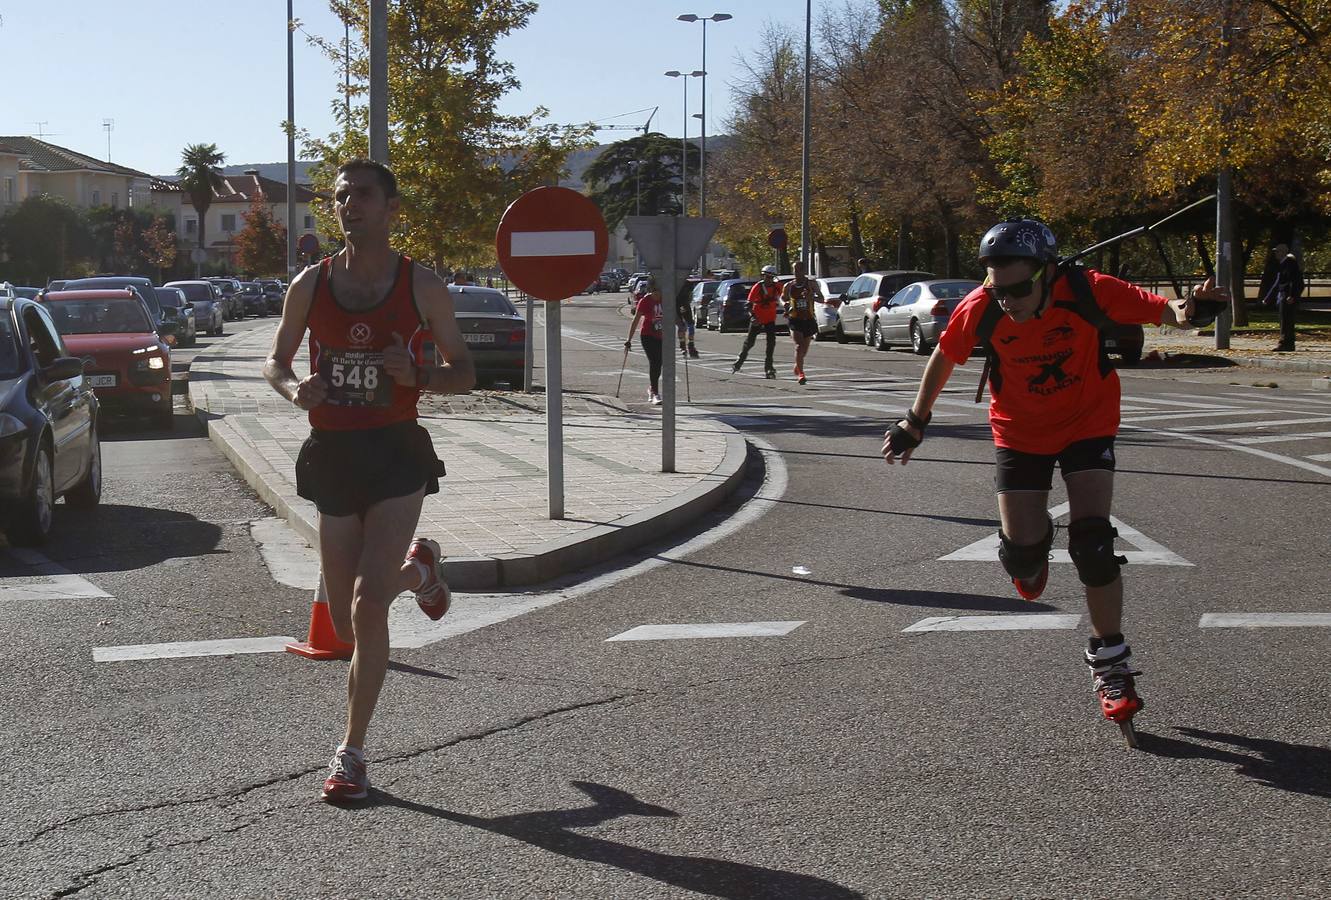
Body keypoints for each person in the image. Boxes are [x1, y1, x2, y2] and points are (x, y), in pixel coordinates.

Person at [880, 217, 1229, 731]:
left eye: (1019, 288)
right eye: (998, 289)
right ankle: (1027, 552)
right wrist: (916, 420)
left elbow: (1164, 311)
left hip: (1087, 423)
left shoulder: (1087, 289)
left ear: (1046, 272)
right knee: (1022, 555)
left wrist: (1193, 308)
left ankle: (1111, 663)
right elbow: (944, 355)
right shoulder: (982, 306)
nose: (1008, 300)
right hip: (1019, 432)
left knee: (1093, 542)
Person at [263, 158, 475, 804]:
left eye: (361, 195)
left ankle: (350, 754)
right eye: (339, 197)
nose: (348, 206)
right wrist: (293, 386)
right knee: (352, 626)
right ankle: (423, 573)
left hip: (394, 454)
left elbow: (464, 371)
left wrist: (417, 376)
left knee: (364, 603)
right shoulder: (310, 283)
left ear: (390, 207)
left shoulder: (422, 286)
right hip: (332, 452)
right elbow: (275, 360)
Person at [732, 265, 782, 378]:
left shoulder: (777, 286)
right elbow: (748, 304)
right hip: (758, 318)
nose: (769, 279)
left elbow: (783, 297)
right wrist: (753, 317)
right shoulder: (758, 287)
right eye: (767, 277)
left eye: (771, 277)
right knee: (750, 342)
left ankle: (769, 367)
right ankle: (740, 360)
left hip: (770, 318)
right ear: (763, 276)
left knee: (771, 344)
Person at [625, 274, 664, 405]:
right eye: (656, 290)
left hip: (662, 335)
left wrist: (682, 327)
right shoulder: (645, 301)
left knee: (660, 363)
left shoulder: (666, 299)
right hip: (648, 335)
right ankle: (655, 392)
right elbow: (636, 320)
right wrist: (628, 340)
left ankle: (651, 388)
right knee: (655, 362)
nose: (658, 293)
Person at [783, 260, 823, 384]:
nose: (796, 273)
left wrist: (812, 297)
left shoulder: (811, 284)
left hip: (809, 318)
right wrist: (785, 304)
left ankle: (798, 364)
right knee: (799, 346)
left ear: (804, 271)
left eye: (799, 270)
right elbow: (782, 298)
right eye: (795, 270)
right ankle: (801, 374)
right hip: (795, 319)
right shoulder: (789, 285)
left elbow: (821, 299)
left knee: (804, 349)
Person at [1264, 244, 1303, 352]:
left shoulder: (1290, 264)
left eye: (1277, 251)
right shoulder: (1283, 264)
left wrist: (1292, 295)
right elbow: (1277, 283)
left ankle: (1285, 343)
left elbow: (1294, 281)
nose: (1276, 254)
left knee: (1286, 320)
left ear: (1283, 252)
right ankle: (1288, 343)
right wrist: (1268, 298)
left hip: (1287, 296)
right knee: (1285, 320)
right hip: (1283, 295)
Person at [676, 280, 700, 359]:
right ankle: (683, 345)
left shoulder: (688, 284)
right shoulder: (673, 283)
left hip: (685, 305)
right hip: (676, 305)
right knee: (681, 326)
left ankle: (691, 345)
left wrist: (687, 302)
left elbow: (690, 296)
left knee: (691, 325)